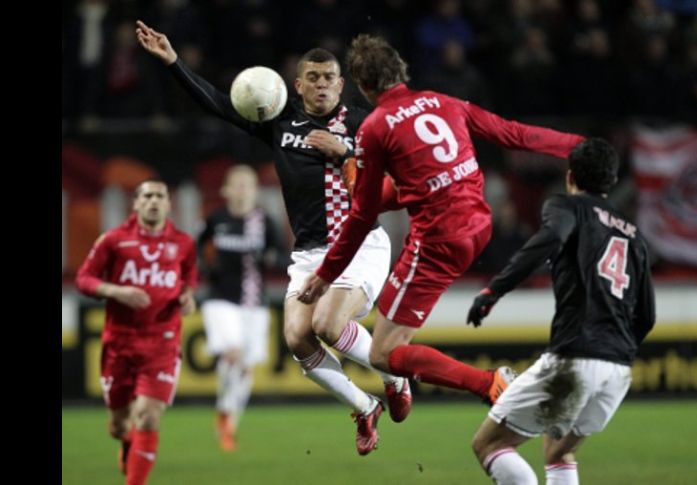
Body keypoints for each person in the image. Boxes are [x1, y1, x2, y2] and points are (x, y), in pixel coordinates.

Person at [136, 21, 411, 456]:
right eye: (313, 78)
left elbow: (402, 175)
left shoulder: (366, 124)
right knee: (298, 338)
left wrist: (345, 154)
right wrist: (173, 62)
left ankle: (395, 374)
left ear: (341, 84)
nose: (321, 85)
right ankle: (363, 406)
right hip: (309, 254)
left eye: (329, 78)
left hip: (359, 244)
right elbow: (219, 105)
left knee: (327, 324)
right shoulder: (280, 123)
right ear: (298, 84)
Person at [299, 35, 585, 407]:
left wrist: (325, 275)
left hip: (437, 242)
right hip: (480, 225)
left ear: (363, 85)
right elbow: (512, 134)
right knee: (409, 189)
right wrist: (577, 146)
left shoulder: (376, 126)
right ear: (401, 69)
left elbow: (362, 214)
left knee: (384, 354)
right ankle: (483, 385)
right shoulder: (444, 102)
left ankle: (490, 384)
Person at [466, 138, 656, 484]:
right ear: (612, 182)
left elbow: (551, 237)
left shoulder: (568, 207)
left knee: (488, 444)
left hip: (575, 358)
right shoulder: (634, 235)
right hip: (617, 370)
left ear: (570, 177)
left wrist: (495, 289)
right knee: (557, 450)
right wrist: (613, 349)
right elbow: (647, 317)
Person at [75, 180, 197, 485]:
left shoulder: (183, 243)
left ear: (169, 204)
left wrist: (187, 296)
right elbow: (83, 279)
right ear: (136, 203)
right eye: (147, 196)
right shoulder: (113, 240)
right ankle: (127, 441)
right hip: (119, 343)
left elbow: (189, 279)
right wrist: (115, 291)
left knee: (148, 415)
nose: (154, 201)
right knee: (119, 424)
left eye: (160, 196)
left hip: (163, 343)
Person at [197, 165, 282, 451]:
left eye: (248, 184)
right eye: (238, 184)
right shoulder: (217, 218)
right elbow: (197, 246)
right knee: (233, 353)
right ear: (226, 190)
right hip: (220, 298)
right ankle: (225, 413)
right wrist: (205, 265)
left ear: (256, 190)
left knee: (245, 368)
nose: (243, 189)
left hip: (254, 303)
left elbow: (281, 255)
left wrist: (269, 257)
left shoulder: (264, 221)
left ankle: (228, 417)